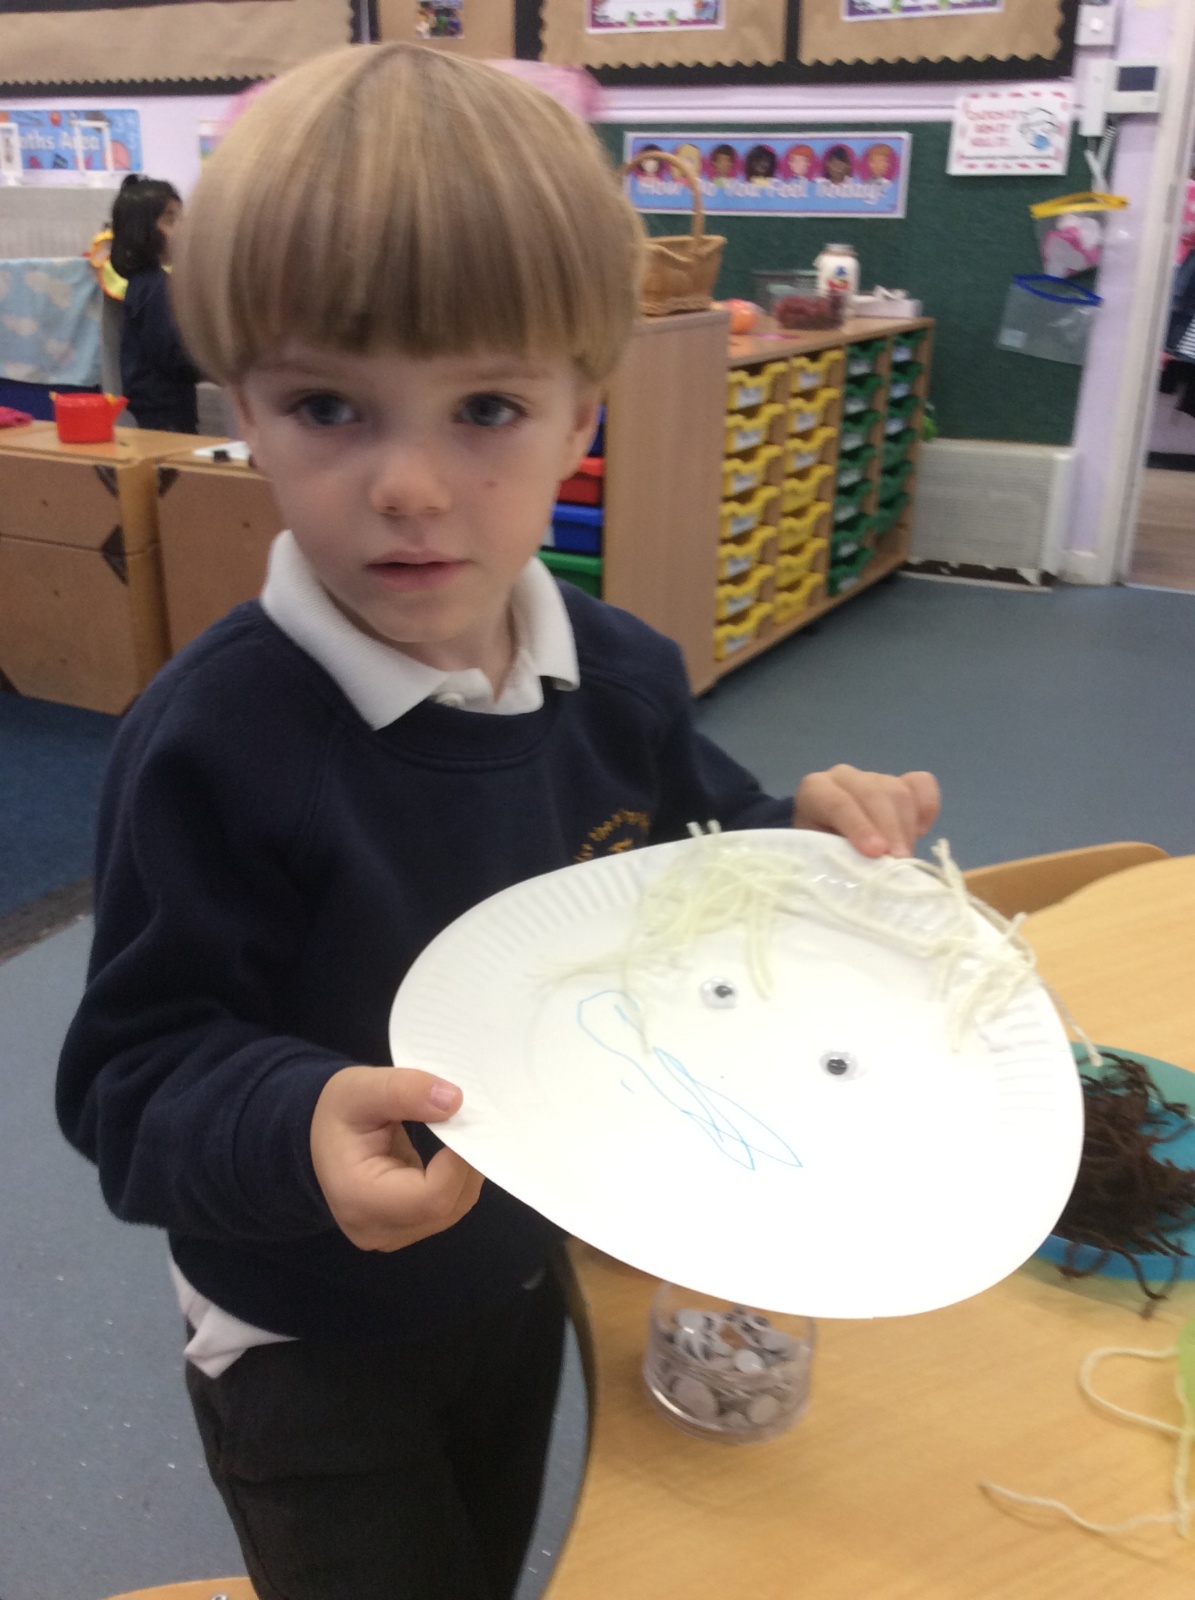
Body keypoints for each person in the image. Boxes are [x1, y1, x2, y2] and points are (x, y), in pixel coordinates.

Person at [55, 43, 941, 1600]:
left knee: (490, 1553)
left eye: (482, 407)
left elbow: (682, 863)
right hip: (305, 1333)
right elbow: (129, 1084)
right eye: (326, 405)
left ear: (579, 414)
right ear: (245, 407)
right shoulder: (214, 743)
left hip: (529, 1263)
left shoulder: (620, 674)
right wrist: (294, 1120)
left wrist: (794, 837)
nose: (406, 485)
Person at [110, 173, 201, 432]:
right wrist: (209, 364)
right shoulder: (153, 286)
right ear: (144, 231)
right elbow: (171, 355)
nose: (182, 228)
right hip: (163, 412)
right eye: (171, 220)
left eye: (182, 218)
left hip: (164, 407)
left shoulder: (149, 282)